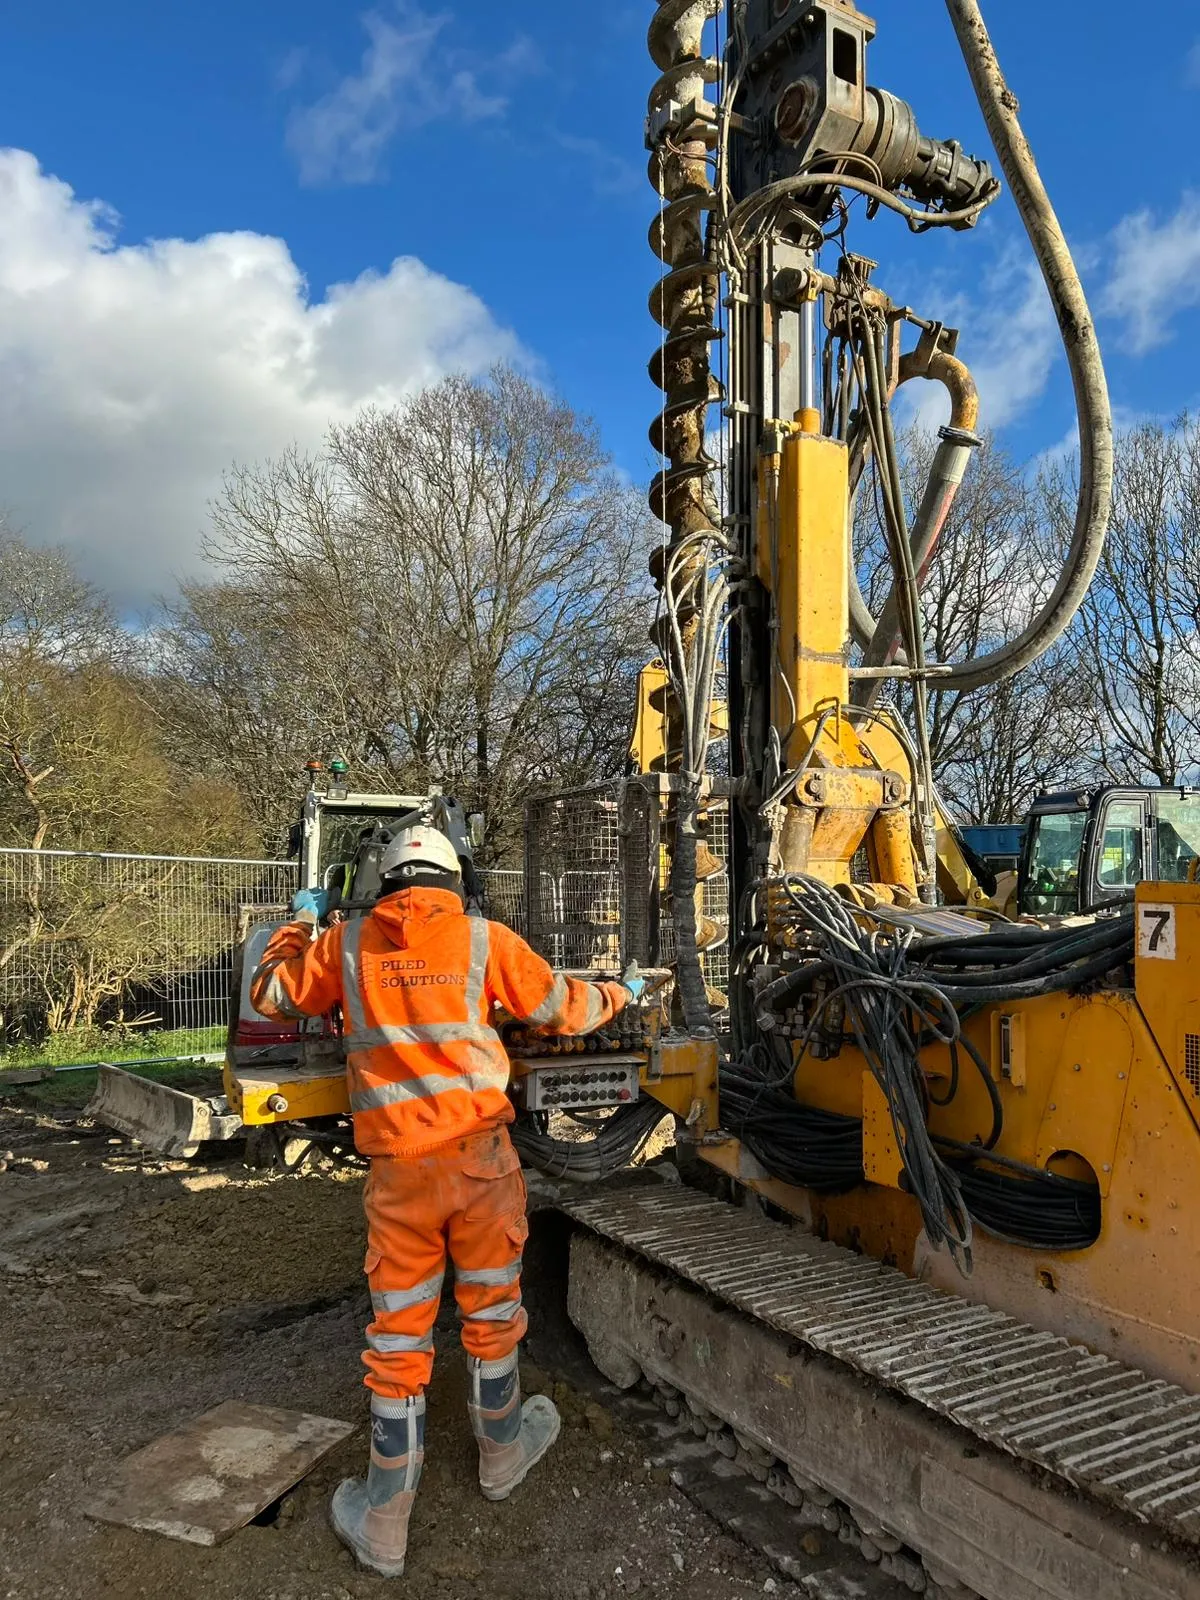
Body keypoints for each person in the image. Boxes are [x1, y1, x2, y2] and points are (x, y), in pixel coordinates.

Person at [250, 824, 641, 1578]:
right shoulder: (484, 939)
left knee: (399, 1340)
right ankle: (502, 1455)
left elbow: (273, 997)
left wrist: (298, 925)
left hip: (401, 1172)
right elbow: (563, 1007)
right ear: (453, 878)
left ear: (385, 882)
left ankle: (386, 1520)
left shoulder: (345, 943)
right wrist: (626, 989)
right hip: (483, 1164)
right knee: (493, 1315)